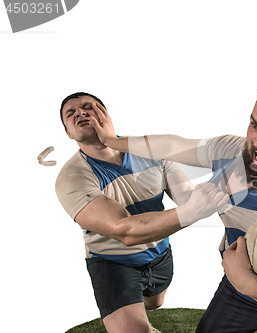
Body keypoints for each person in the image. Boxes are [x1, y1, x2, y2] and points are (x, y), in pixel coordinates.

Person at [90, 81, 257, 333]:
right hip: (236, 293)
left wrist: (247, 281)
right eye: (255, 124)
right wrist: (112, 140)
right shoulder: (230, 151)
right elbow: (171, 146)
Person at [55, 92, 229, 333]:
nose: (80, 113)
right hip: (112, 262)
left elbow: (189, 198)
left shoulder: (149, 151)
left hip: (159, 253)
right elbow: (124, 231)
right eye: (70, 114)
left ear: (107, 115)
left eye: (88, 107)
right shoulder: (72, 177)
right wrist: (192, 211)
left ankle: (143, 301)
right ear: (68, 133)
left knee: (155, 302)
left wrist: (226, 182)